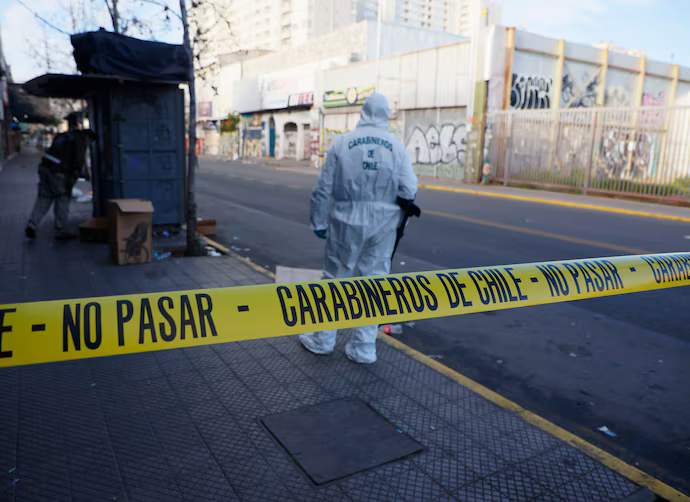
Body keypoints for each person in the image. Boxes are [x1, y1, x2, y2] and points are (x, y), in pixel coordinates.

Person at [299, 93, 418, 363]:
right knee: (373, 283)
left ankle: (323, 339)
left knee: (335, 279)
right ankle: (364, 347)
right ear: (386, 115)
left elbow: (323, 188)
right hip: (384, 223)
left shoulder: (342, 143)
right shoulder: (396, 147)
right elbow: (409, 188)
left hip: (345, 218)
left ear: (363, 112)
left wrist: (319, 222)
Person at [25, 115, 95, 240]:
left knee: (44, 198)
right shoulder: (80, 139)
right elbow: (78, 161)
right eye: (90, 142)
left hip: (45, 168)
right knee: (62, 199)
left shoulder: (63, 135)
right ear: (88, 138)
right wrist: (79, 176)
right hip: (58, 172)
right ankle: (61, 229)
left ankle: (32, 224)